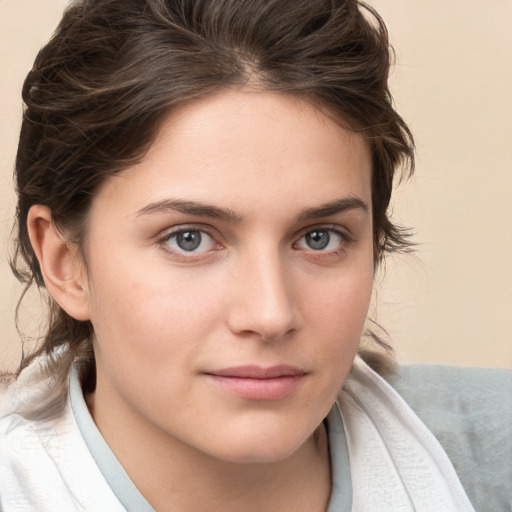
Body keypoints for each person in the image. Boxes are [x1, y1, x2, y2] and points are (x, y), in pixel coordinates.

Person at [0, 0, 509, 510]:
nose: (270, 314)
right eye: (189, 239)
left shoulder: (490, 461)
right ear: (64, 262)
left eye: (320, 238)